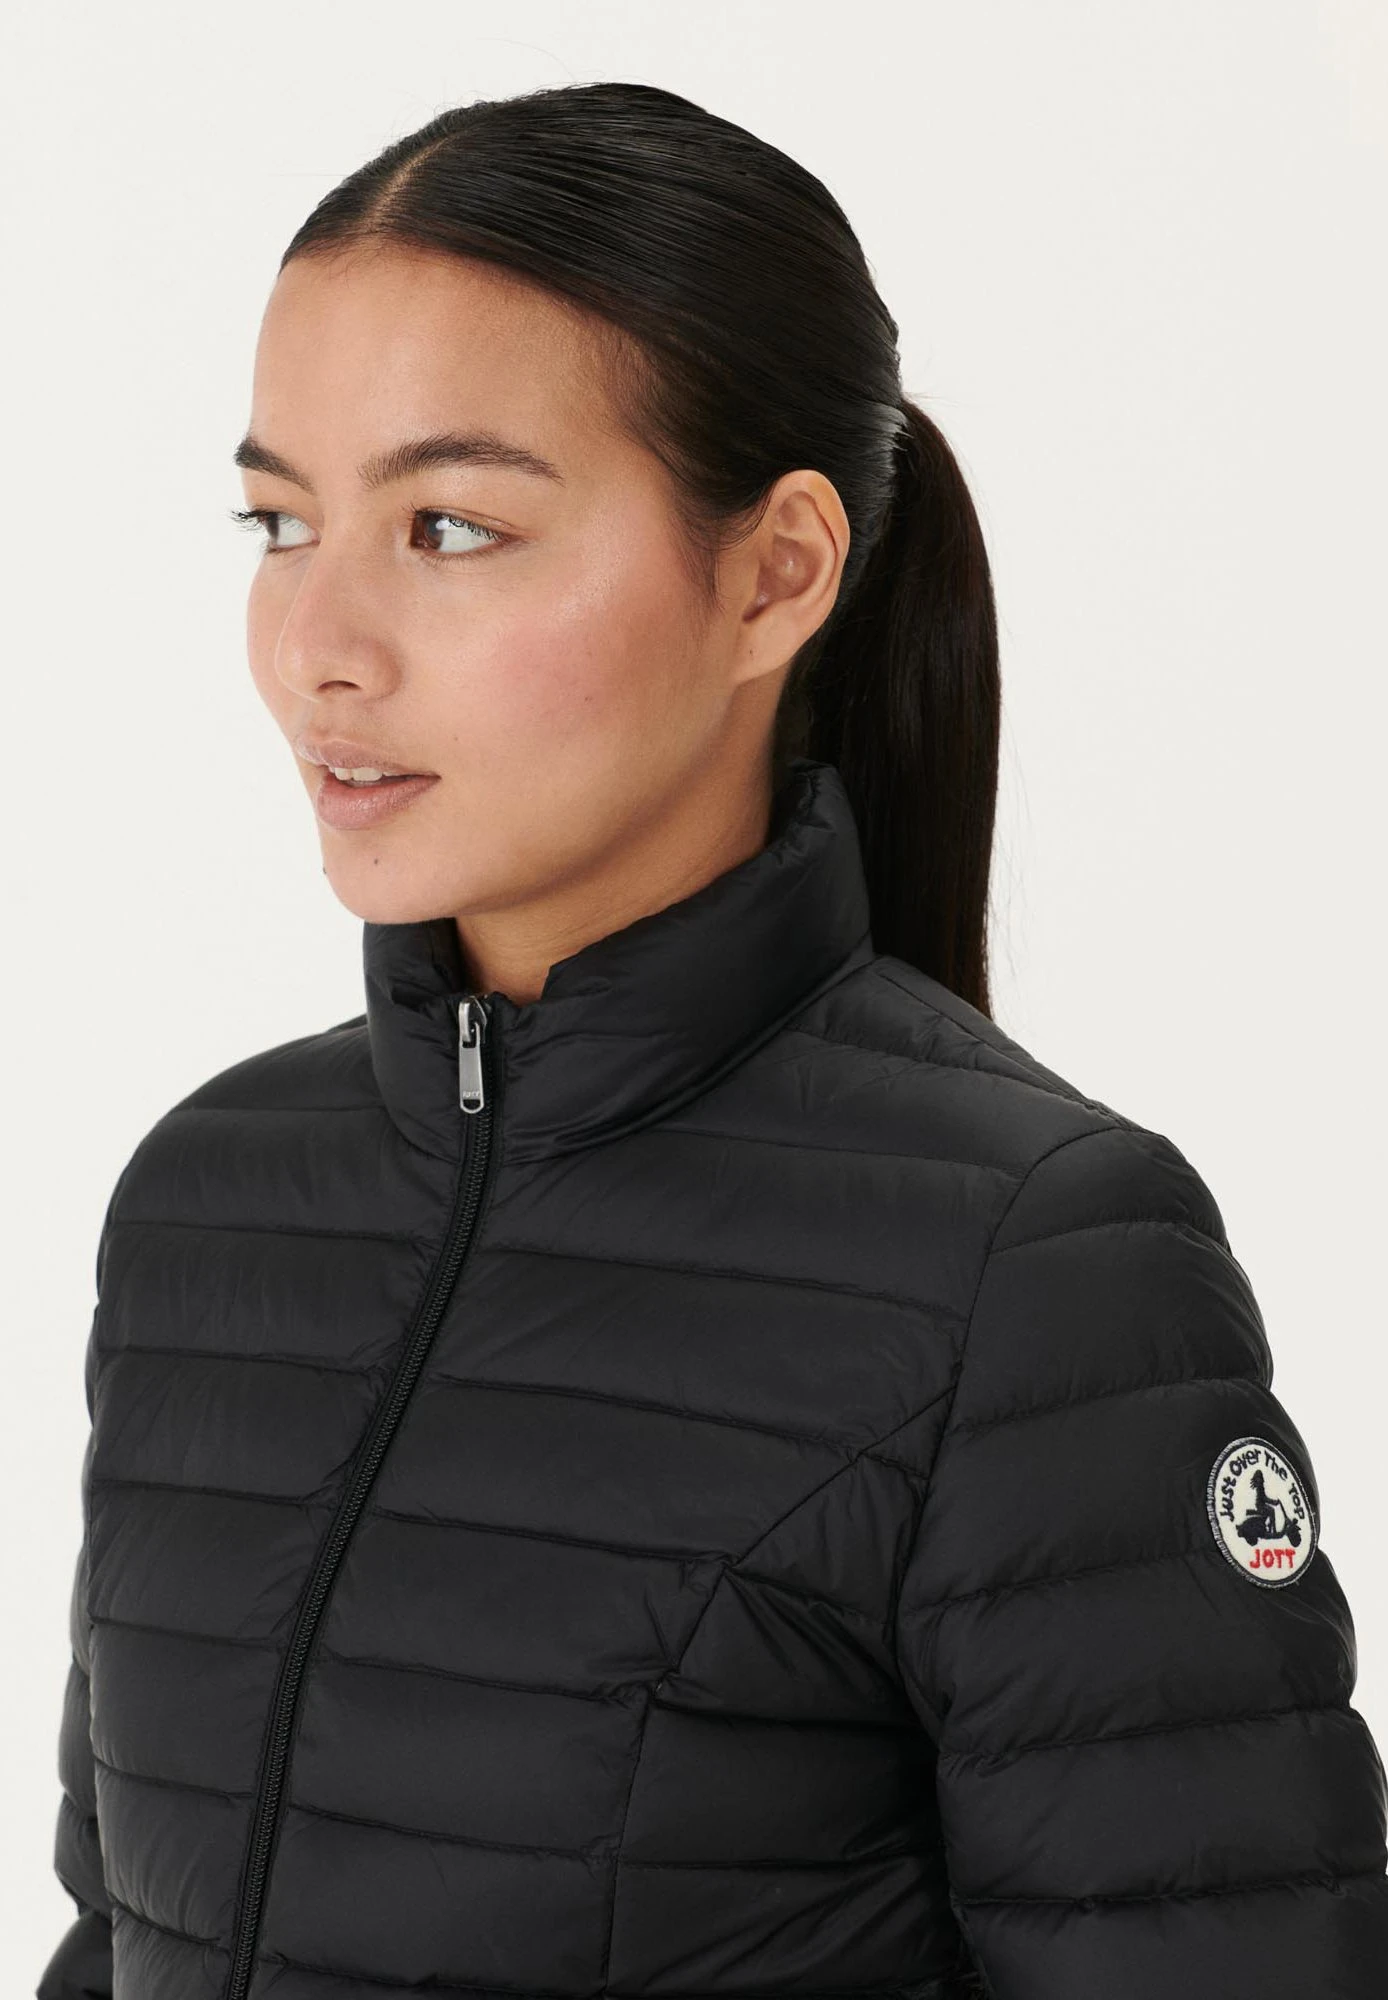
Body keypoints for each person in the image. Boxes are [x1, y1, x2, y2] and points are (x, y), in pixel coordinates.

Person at [37, 79, 1387, 2000]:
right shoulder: (211, 1207)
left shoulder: (1039, 1270)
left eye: (449, 526)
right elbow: (123, 1939)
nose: (318, 644)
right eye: (279, 520)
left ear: (776, 572)